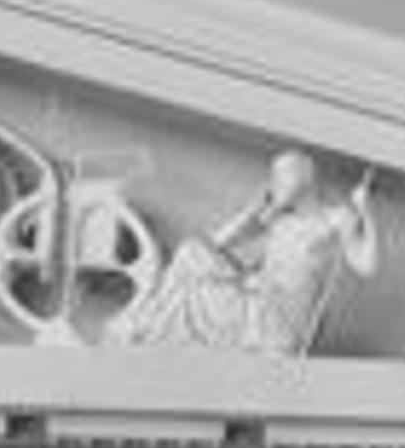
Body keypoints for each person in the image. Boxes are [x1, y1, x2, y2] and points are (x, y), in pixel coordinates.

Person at [121, 149, 379, 355]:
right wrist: (251, 210)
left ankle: (146, 326)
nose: (274, 183)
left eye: (280, 177)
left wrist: (365, 211)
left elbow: (366, 265)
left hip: (279, 322)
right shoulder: (279, 220)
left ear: (302, 180)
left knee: (193, 266)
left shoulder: (335, 218)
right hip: (255, 302)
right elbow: (216, 244)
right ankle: (148, 324)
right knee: (190, 253)